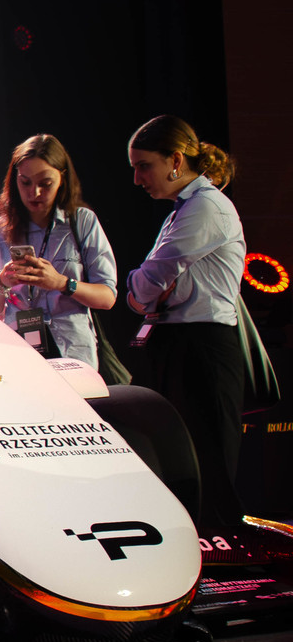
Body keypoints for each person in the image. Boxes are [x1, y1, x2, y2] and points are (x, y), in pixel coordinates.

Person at [126, 114, 245, 525]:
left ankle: (223, 559)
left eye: (145, 166)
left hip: (203, 348)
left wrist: (142, 287)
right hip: (177, 343)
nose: (138, 179)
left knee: (208, 471)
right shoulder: (183, 209)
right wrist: (143, 287)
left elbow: (146, 284)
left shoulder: (206, 207)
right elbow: (146, 289)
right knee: (175, 468)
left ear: (175, 160)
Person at [0, 134, 117, 365]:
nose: (35, 192)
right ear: (15, 180)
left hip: (73, 354)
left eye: (45, 183)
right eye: (25, 182)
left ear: (62, 178)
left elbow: (107, 297)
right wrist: (2, 281)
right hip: (19, 353)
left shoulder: (82, 222)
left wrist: (62, 283)